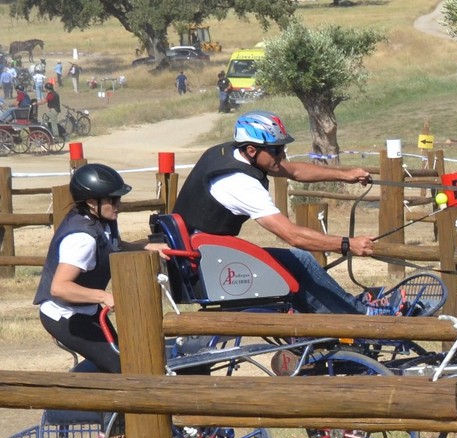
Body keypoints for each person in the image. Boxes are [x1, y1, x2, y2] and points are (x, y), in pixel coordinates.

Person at [172, 112, 376, 315]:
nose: (283, 156)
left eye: (282, 148)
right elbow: (292, 236)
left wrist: (344, 175)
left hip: (206, 257)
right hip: (207, 267)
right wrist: (348, 244)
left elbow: (294, 171)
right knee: (300, 261)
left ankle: (342, 318)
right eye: (276, 150)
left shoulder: (228, 152)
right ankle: (360, 319)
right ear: (252, 150)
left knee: (295, 264)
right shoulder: (240, 183)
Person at [34, 164, 167, 373]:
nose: (118, 205)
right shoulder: (82, 239)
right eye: (112, 200)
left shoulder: (100, 222)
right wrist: (103, 296)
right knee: (124, 367)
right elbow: (59, 288)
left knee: (129, 359)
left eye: (118, 199)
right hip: (66, 315)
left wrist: (145, 246)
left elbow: (112, 246)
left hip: (86, 310)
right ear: (91, 202)